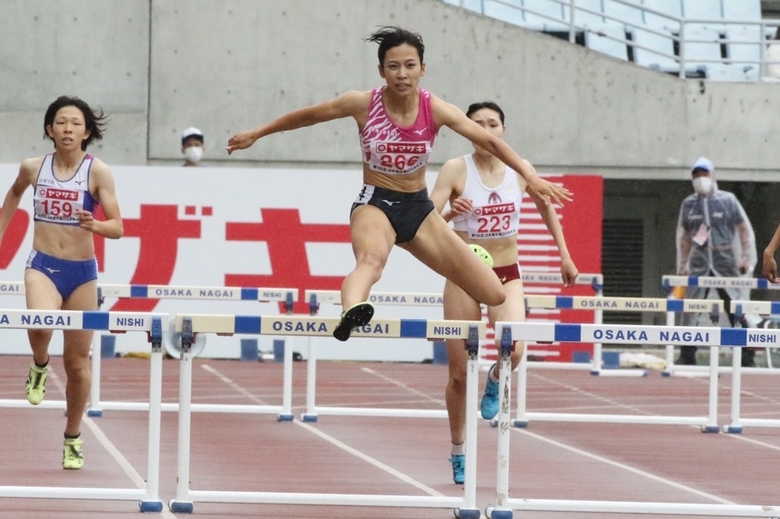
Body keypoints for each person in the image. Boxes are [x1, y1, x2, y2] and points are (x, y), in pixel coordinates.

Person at [226, 26, 572, 342]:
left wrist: (530, 176)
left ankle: (475, 272)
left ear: (423, 69)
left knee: (493, 294)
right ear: (381, 71)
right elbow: (309, 116)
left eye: (409, 65)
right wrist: (258, 133)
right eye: (393, 66)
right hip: (376, 202)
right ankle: (350, 312)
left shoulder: (436, 109)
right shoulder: (362, 104)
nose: (402, 74)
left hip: (418, 208)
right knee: (371, 261)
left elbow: (492, 142)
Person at [429, 101, 579, 484]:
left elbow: (546, 206)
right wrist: (449, 214)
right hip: (463, 273)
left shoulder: (518, 168)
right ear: (466, 129)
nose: (485, 129)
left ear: (503, 130)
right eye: (476, 123)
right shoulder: (455, 169)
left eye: (492, 123)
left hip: (507, 274)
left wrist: (564, 254)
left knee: (516, 349)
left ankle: (496, 376)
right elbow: (425, 220)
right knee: (460, 374)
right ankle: (458, 450)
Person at [0, 95, 123, 469]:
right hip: (43, 264)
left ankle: (72, 436)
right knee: (40, 321)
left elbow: (117, 228)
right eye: (61, 122)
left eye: (75, 123)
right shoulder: (33, 168)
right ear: (49, 129)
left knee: (77, 365)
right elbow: (11, 201)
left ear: (87, 132)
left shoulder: (98, 172)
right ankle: (39, 363)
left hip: (83, 272)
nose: (68, 128)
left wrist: (95, 224)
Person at [675, 157, 756, 367]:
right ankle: (687, 353)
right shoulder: (689, 204)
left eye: (704, 174)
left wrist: (746, 258)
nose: (701, 179)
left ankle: (747, 354)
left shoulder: (727, 200)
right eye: (696, 175)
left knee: (735, 308)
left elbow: (743, 229)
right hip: (700, 263)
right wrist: (682, 265)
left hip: (726, 263)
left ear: (712, 176)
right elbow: (684, 237)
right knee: (691, 308)